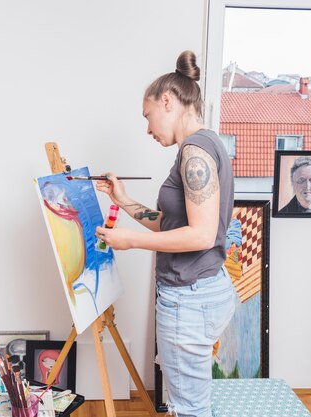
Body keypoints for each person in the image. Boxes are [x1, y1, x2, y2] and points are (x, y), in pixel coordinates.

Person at [94, 50, 236, 417]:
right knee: (188, 403)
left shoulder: (194, 153)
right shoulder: (205, 144)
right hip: (202, 290)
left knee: (189, 410)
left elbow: (201, 235)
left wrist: (132, 240)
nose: (147, 128)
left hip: (190, 300)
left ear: (168, 101)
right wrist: (125, 201)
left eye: (148, 115)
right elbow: (171, 223)